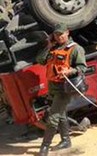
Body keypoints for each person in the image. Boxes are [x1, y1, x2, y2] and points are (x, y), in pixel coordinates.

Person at [36, 23, 87, 156]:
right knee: (61, 113)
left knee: (53, 117)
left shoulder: (75, 49)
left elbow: (82, 68)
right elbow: (40, 60)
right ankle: (66, 140)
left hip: (65, 88)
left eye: (61, 34)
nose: (59, 37)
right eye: (56, 34)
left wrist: (70, 71)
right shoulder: (54, 48)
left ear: (67, 32)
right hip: (53, 86)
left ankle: (44, 147)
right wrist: (48, 46)